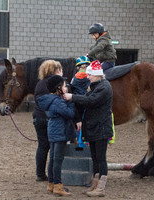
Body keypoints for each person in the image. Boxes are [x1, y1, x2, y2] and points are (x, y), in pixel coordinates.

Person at [64, 60, 113, 197]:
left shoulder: (104, 87)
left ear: (97, 75)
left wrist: (72, 96)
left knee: (101, 158)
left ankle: (101, 188)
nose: (88, 76)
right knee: (95, 157)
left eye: (90, 74)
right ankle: (95, 184)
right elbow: (86, 98)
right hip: (95, 127)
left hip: (101, 127)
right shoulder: (95, 86)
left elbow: (91, 101)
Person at [38, 75, 76, 196]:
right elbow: (69, 114)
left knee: (53, 159)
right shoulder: (58, 101)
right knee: (58, 160)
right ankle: (58, 186)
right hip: (60, 132)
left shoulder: (51, 100)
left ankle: (51, 184)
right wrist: (70, 102)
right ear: (58, 88)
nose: (66, 88)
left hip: (54, 131)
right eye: (65, 86)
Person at [32, 60, 63, 182]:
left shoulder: (39, 84)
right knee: (54, 147)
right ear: (55, 71)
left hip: (37, 117)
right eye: (60, 70)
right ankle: (53, 175)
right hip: (50, 118)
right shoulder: (56, 83)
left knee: (42, 146)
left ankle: (40, 173)